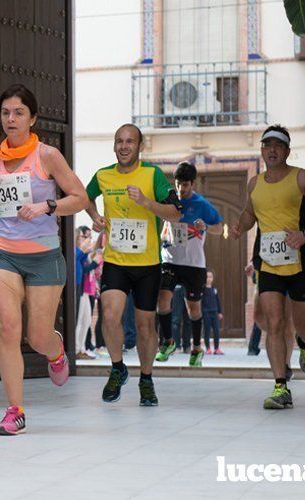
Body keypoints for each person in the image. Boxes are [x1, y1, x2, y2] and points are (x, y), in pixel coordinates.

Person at [0, 84, 88, 435]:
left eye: (18, 112)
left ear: (32, 118)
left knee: (36, 337)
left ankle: (55, 350)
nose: (11, 119)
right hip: (5, 253)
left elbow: (78, 198)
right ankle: (14, 410)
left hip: (45, 256)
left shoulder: (47, 156)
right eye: (5, 113)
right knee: (6, 328)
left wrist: (47, 205)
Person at [231, 124, 305, 410]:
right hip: (268, 263)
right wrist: (240, 226)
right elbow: (251, 212)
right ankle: (280, 386)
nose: (272, 150)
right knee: (274, 323)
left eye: (278, 145)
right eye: (267, 145)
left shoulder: (302, 178)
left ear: (287, 151)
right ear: (262, 150)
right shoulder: (254, 183)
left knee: (303, 325)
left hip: (301, 262)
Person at [85, 123, 181, 406]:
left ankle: (147, 379)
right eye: (119, 141)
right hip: (115, 259)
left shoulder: (152, 174)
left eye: (130, 141)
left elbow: (176, 212)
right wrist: (94, 216)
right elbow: (85, 196)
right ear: (114, 146)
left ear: (140, 146)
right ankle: (117, 368)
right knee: (110, 315)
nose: (124, 146)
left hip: (148, 263)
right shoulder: (103, 175)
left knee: (145, 326)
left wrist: (148, 203)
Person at [155, 162, 223, 366]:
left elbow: (220, 228)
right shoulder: (168, 200)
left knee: (193, 309)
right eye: (178, 184)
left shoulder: (202, 204)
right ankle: (167, 342)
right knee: (162, 301)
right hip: (169, 260)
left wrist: (207, 227)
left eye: (185, 185)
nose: (181, 189)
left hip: (193, 265)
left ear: (193, 184)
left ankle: (196, 349)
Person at [74, 226, 99, 359]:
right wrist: (94, 262)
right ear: (78, 236)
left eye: (90, 237)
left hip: (84, 289)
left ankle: (81, 348)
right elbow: (76, 263)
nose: (88, 239)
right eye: (86, 236)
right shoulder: (74, 249)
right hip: (78, 286)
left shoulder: (80, 251)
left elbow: (82, 261)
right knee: (79, 320)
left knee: (86, 319)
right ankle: (77, 349)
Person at [202, 270, 224, 355]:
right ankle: (207, 348)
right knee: (207, 331)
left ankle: (216, 348)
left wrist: (219, 312)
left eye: (211, 277)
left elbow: (217, 301)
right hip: (206, 312)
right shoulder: (203, 289)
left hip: (214, 312)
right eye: (207, 277)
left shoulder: (214, 289)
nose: (209, 279)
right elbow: (201, 301)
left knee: (216, 331)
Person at [171, 285, 191, 353]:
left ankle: (187, 346)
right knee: (175, 320)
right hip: (177, 287)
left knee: (188, 320)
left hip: (188, 288)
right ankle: (176, 346)